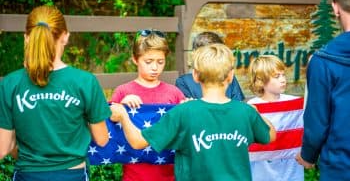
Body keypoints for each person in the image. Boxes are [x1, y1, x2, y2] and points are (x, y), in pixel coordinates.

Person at [111, 43, 276, 181]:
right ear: (231, 76)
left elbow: (138, 142)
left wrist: (124, 115)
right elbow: (270, 136)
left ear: (195, 76)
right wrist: (257, 113)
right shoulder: (246, 112)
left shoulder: (183, 112)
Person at [0, 5, 112, 181]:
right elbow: (102, 139)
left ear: (27, 38)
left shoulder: (10, 83)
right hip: (73, 174)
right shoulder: (84, 81)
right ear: (65, 36)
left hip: (27, 175)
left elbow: (3, 147)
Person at [110, 29, 185, 181]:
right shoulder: (123, 91)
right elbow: (107, 121)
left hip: (168, 174)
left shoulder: (174, 93)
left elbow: (185, 129)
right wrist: (121, 106)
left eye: (160, 62)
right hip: (134, 174)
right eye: (148, 62)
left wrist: (189, 108)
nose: (155, 68)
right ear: (135, 59)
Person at [296, 0, 350, 180]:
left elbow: (318, 121)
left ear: (335, 6)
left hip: (340, 167)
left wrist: (308, 155)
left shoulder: (323, 61)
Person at [247, 55, 304, 181]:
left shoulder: (295, 104)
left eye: (283, 75)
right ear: (261, 80)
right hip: (261, 170)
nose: (283, 80)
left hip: (290, 169)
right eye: (277, 76)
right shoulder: (251, 107)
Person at [175, 31, 245, 101]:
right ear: (196, 55)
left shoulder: (228, 77)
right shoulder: (184, 82)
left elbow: (239, 106)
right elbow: (189, 109)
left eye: (217, 54)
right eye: (208, 55)